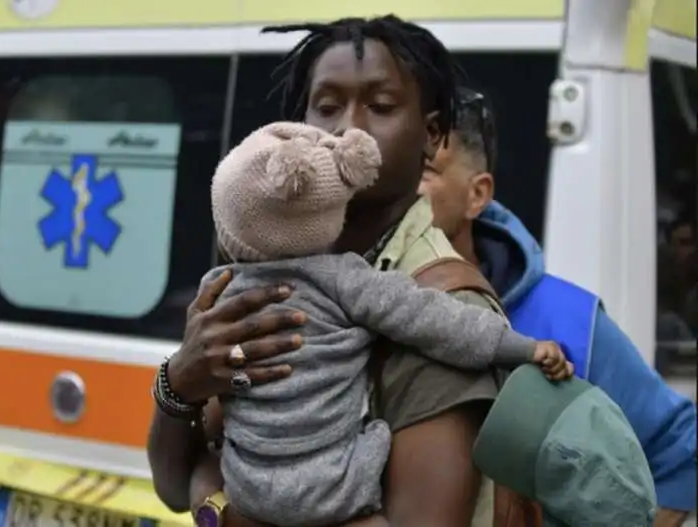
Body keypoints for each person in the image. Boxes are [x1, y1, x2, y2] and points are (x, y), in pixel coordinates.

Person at [148, 15, 532, 527]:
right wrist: (180, 382)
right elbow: (174, 485)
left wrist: (218, 505)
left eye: (382, 105)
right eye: (326, 106)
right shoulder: (272, 274)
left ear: (432, 135)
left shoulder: (441, 307)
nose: (348, 127)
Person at [196, 120, 569, 526]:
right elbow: (441, 323)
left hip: (247, 491)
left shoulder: (217, 291)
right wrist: (524, 348)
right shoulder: (345, 279)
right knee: (377, 434)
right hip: (334, 490)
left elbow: (200, 428)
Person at [418, 86, 697, 526]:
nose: (397, 190)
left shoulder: (568, 321)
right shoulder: (338, 310)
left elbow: (682, 451)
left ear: (478, 194)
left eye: (423, 169)